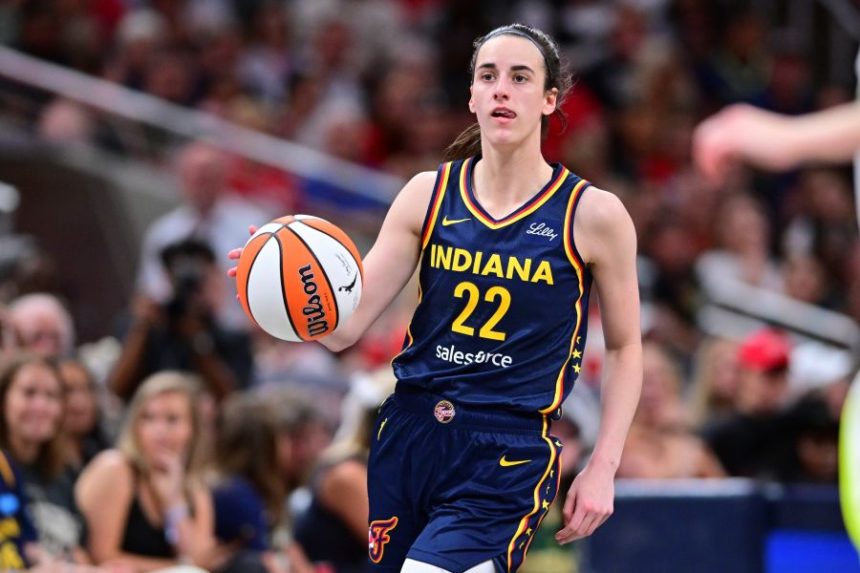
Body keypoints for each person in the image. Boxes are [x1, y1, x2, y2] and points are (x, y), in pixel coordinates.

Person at [230, 23, 642, 573]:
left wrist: (603, 466)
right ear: (471, 95)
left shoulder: (593, 213)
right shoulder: (427, 194)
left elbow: (623, 347)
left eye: (520, 78)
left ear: (549, 99)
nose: (501, 90)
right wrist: (274, 298)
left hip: (506, 448)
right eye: (488, 76)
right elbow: (344, 328)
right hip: (410, 432)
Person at [75, 371, 217, 572]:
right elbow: (102, 556)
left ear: (192, 429)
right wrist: (177, 567)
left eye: (172, 419)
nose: (159, 430)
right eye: (148, 418)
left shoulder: (194, 485)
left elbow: (200, 558)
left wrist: (173, 501)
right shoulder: (116, 468)